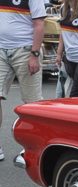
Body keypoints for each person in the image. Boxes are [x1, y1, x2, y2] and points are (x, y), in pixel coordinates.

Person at [0, 0, 45, 161]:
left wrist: (35, 54)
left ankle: (33, 148)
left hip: (25, 50)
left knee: (31, 104)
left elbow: (39, 24)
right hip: (1, 50)